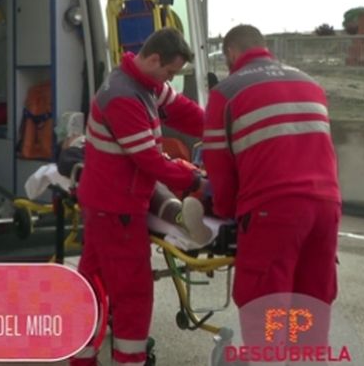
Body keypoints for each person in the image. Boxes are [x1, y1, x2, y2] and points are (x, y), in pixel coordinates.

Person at [71, 28, 207, 366]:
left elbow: (184, 111)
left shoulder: (145, 84)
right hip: (116, 207)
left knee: (93, 283)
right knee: (132, 292)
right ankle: (129, 360)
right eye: (171, 72)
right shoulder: (123, 96)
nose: (170, 80)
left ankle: (83, 357)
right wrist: (193, 179)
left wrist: (218, 131)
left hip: (108, 202)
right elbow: (147, 158)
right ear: (154, 59)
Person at [201, 24, 341, 342]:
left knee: (266, 304)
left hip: (273, 210)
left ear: (232, 53)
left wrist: (225, 210)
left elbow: (219, 167)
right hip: (326, 206)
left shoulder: (226, 92)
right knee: (312, 300)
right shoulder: (309, 83)